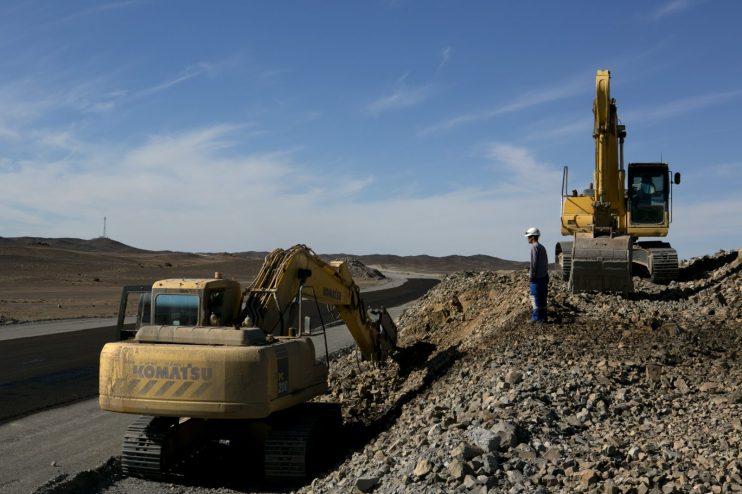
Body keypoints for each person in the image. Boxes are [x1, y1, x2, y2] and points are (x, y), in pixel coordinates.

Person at [525, 227, 548, 323]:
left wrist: (531, 276)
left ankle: (536, 317)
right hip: (544, 276)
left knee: (535, 297)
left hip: (536, 278)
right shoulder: (542, 247)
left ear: (533, 237)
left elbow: (534, 263)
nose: (527, 239)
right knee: (542, 297)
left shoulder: (534, 248)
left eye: (528, 237)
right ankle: (543, 317)